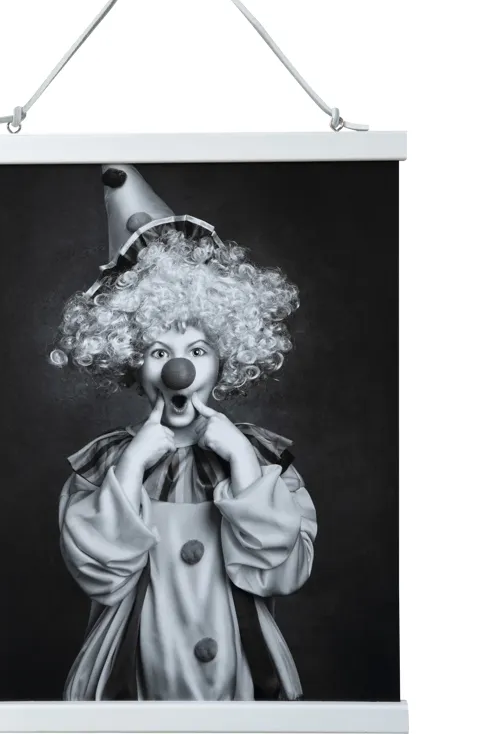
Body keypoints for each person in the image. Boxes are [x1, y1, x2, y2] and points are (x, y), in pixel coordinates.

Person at [49, 165, 317, 701]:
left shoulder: (265, 462)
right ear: (131, 363)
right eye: (158, 351)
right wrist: (131, 468)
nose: (179, 370)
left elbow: (283, 572)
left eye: (197, 350)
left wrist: (243, 464)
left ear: (225, 361)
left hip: (240, 677)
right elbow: (98, 571)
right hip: (136, 678)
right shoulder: (102, 467)